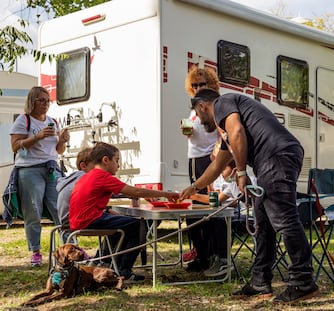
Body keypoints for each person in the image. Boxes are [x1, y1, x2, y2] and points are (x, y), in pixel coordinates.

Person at [180, 89, 319, 303]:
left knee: (284, 219)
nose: (200, 120)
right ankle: (260, 280)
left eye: (198, 115)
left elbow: (237, 132)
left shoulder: (223, 103)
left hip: (276, 156)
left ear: (202, 106)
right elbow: (217, 165)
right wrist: (194, 187)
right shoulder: (227, 128)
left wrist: (242, 172)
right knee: (263, 223)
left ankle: (302, 280)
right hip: (273, 159)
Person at [69, 142, 179, 282]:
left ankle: (108, 262)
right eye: (117, 160)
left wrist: (140, 194)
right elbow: (135, 191)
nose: (119, 165)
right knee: (139, 225)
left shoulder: (89, 176)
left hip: (79, 220)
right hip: (89, 220)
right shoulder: (102, 176)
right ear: (105, 160)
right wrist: (167, 194)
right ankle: (124, 270)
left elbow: (126, 192)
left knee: (124, 224)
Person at [9, 86, 70, 267]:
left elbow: (58, 150)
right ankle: (36, 251)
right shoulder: (24, 120)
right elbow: (15, 146)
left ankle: (69, 248)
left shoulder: (53, 121)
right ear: (32, 101)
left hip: (51, 168)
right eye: (41, 100)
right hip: (29, 170)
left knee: (60, 208)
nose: (45, 104)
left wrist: (63, 140)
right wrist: (38, 136)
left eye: (48, 100)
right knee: (33, 211)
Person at [181, 65, 220, 270]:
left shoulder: (215, 104)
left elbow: (221, 132)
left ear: (211, 84)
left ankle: (215, 254)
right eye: (194, 85)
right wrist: (185, 131)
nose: (197, 88)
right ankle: (201, 254)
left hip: (210, 159)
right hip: (194, 158)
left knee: (211, 207)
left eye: (201, 84)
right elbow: (194, 134)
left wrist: (218, 150)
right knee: (195, 208)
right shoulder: (194, 107)